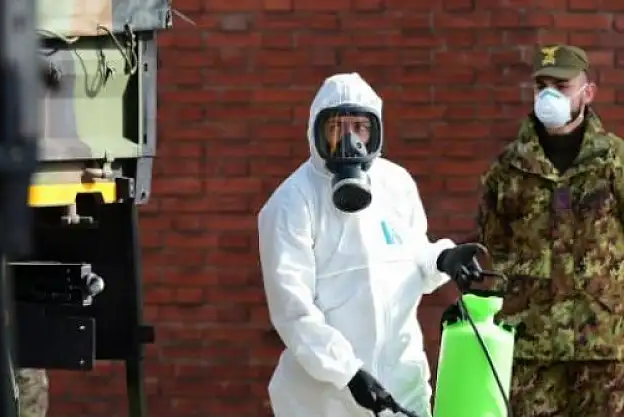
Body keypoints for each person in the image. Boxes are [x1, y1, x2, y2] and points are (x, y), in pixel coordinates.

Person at [257, 72, 485, 417]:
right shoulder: (292, 203)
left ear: (375, 132)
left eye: (360, 128)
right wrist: (348, 373)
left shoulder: (395, 183)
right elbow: (294, 312)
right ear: (317, 133)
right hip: (323, 401)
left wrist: (444, 258)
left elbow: (411, 258)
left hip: (401, 386)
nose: (350, 141)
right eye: (337, 128)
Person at [476, 44, 624, 416]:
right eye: (542, 86)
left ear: (587, 93)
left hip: (604, 346)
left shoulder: (615, 161)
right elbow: (494, 242)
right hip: (531, 347)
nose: (549, 95)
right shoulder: (509, 168)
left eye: (561, 86)